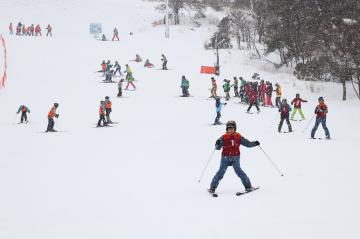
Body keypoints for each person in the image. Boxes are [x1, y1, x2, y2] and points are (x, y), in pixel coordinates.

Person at [208, 120, 260, 194]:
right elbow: (217, 148)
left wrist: (254, 143)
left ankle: (248, 186)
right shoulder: (224, 137)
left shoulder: (238, 136)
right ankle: (212, 188)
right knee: (220, 172)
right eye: (229, 128)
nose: (230, 130)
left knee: (239, 172)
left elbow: (247, 144)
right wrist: (218, 143)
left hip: (235, 157)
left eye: (232, 128)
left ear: (235, 129)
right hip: (225, 157)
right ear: (227, 129)